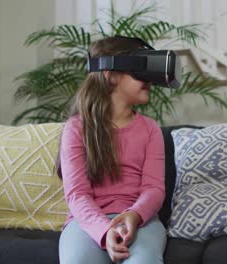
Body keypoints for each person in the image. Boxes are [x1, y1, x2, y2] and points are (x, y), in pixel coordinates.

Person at [57, 36, 166, 264]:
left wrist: (134, 216)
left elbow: (154, 188)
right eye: (140, 69)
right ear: (110, 74)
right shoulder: (76, 128)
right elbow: (77, 194)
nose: (148, 80)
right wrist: (105, 232)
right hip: (86, 223)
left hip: (140, 220)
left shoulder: (150, 129)